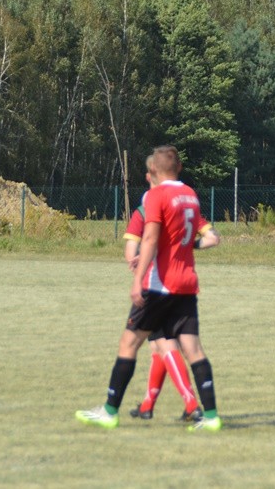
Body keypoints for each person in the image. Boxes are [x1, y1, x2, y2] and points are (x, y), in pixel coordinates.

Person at [76, 145, 223, 432]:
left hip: (159, 285)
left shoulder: (156, 195)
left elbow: (151, 239)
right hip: (186, 284)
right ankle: (212, 416)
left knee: (129, 344)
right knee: (193, 349)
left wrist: (137, 280)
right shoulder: (190, 195)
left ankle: (109, 411)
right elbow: (194, 237)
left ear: (152, 170)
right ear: (179, 168)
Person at [122, 165, 201, 423]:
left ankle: (191, 403)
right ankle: (148, 405)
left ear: (149, 177)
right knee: (158, 346)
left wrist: (138, 263)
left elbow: (131, 253)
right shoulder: (182, 204)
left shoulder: (144, 209)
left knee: (164, 344)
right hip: (180, 284)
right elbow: (207, 236)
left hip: (155, 287)